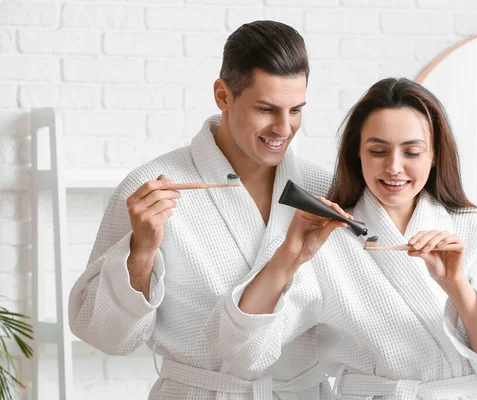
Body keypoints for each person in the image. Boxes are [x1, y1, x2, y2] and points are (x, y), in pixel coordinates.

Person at [207, 78, 477, 399]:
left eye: (411, 152)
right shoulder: (326, 240)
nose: (394, 167)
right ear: (358, 153)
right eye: (378, 151)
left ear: (435, 155)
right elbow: (242, 354)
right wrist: (288, 257)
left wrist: (458, 287)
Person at [69, 20, 334, 399]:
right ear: (223, 96)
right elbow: (107, 336)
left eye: (296, 110)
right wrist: (142, 251)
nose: (283, 127)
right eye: (266, 109)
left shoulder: (321, 190)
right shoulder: (153, 188)